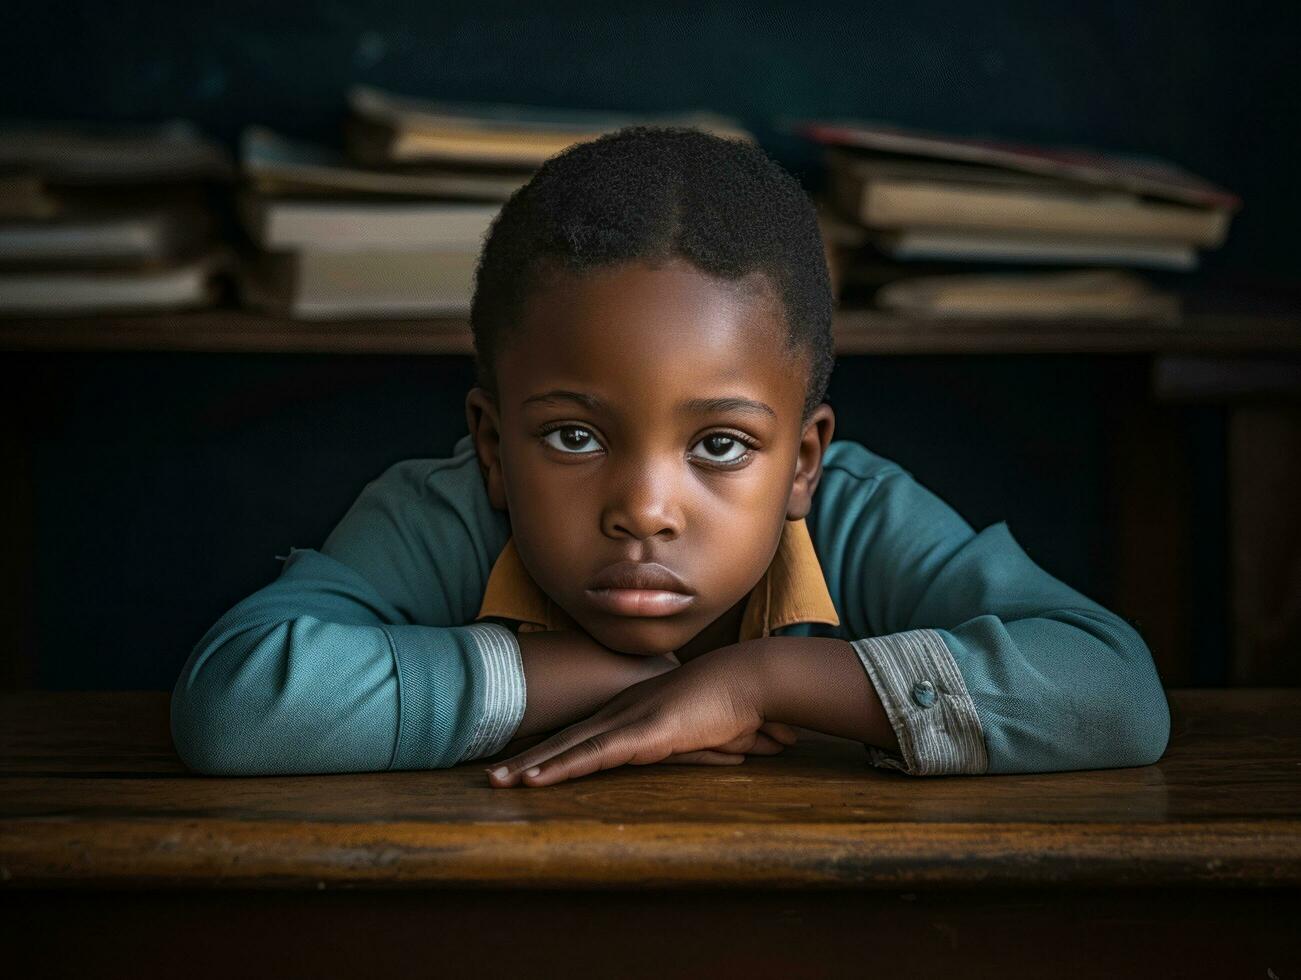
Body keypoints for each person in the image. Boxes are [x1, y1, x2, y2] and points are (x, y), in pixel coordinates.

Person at [170, 126, 1170, 787]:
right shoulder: (447, 518)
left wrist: (749, 682)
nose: (644, 508)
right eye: (572, 436)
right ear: (490, 444)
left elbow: (1115, 694)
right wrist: (594, 678)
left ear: (802, 462)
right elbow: (236, 708)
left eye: (721, 445)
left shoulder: (853, 516)